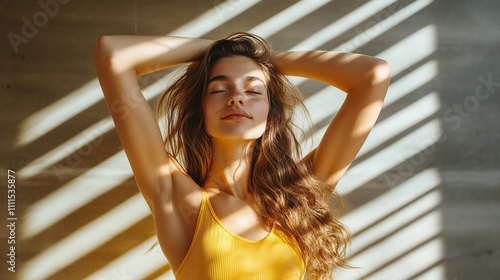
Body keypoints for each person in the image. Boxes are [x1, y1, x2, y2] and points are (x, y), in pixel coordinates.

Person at [94, 32, 390, 280]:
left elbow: (372, 75)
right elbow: (113, 53)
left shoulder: (300, 197)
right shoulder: (176, 196)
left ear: (271, 115)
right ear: (202, 111)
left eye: (253, 90)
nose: (236, 97)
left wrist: (265, 61)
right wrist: (219, 51)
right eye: (219, 88)